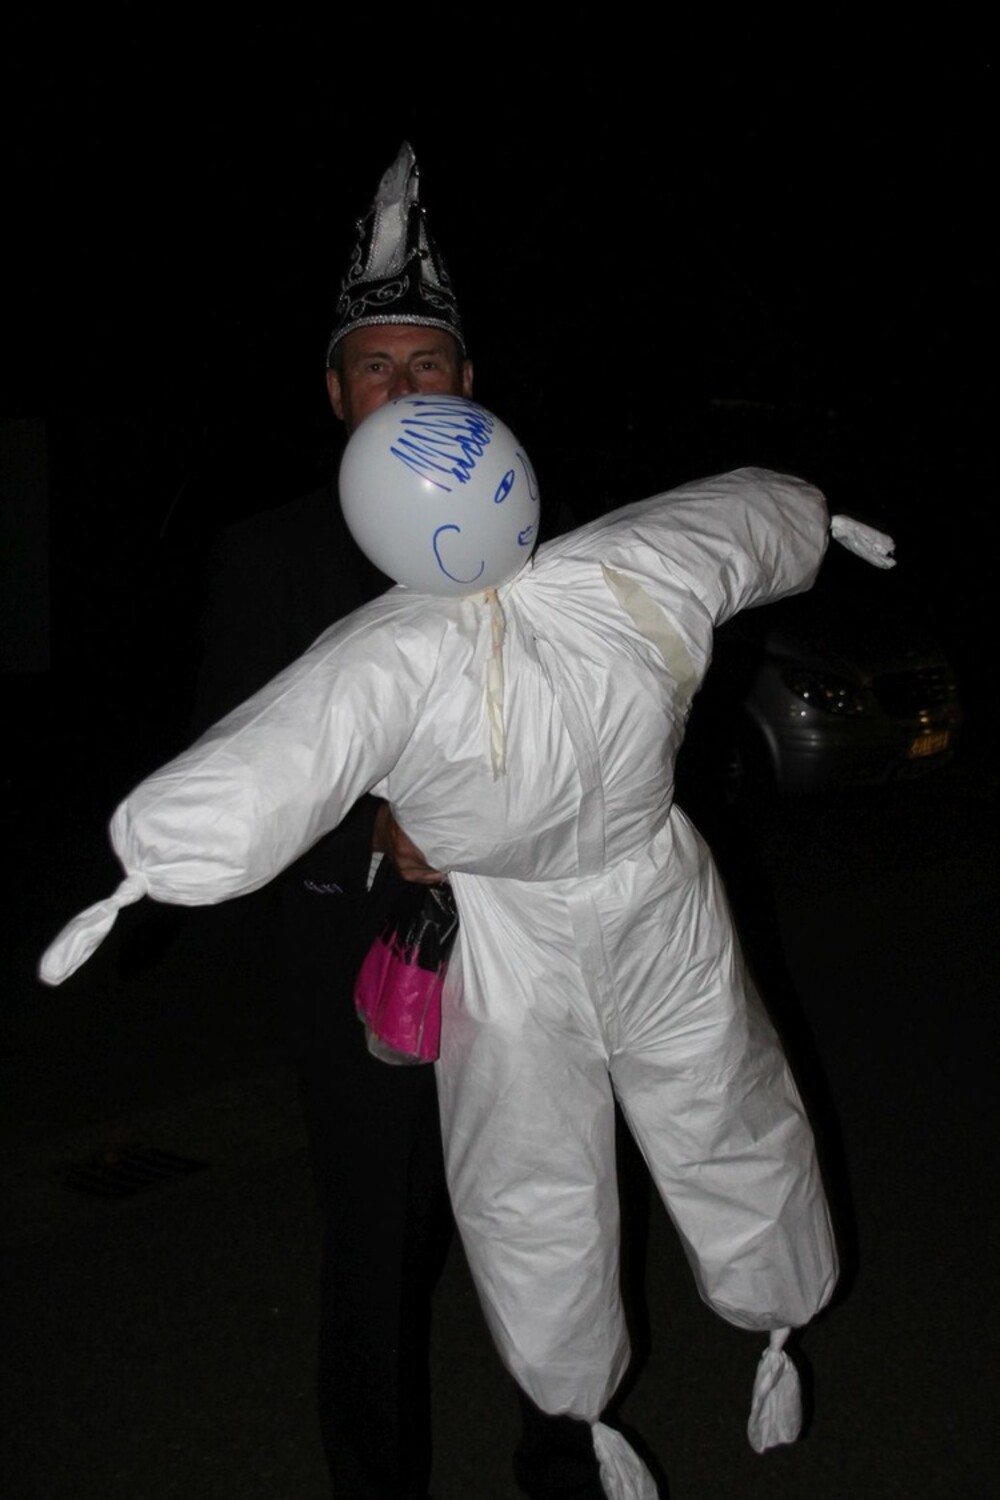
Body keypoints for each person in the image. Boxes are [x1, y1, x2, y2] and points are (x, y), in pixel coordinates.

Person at [42, 430, 898, 1490]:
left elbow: (733, 523)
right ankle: (580, 1409)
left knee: (718, 1106)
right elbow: (285, 747)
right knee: (536, 1179)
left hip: (649, 902)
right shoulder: (413, 638)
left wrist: (811, 519)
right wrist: (156, 856)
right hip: (518, 933)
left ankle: (770, 1311)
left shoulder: (551, 587)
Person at [187, 143, 592, 1500]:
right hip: (364, 968)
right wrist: (374, 831)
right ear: (335, 393)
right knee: (380, 1248)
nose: (407, 390)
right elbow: (230, 771)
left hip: (538, 956)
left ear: (470, 384)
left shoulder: (546, 539)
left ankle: (565, 1461)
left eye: (429, 365)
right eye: (377, 369)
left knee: (550, 1228)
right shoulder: (270, 555)